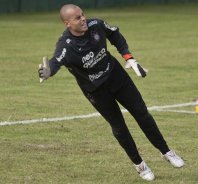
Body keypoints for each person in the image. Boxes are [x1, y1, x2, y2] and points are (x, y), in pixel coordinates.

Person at [38, 4, 184, 181]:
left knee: (142, 114)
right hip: (96, 90)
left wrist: (128, 57)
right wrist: (48, 72)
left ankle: (167, 152)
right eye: (77, 18)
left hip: (117, 77)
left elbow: (115, 34)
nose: (83, 18)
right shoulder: (65, 45)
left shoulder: (96, 25)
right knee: (119, 127)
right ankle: (140, 165)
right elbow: (55, 61)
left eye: (82, 14)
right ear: (67, 23)